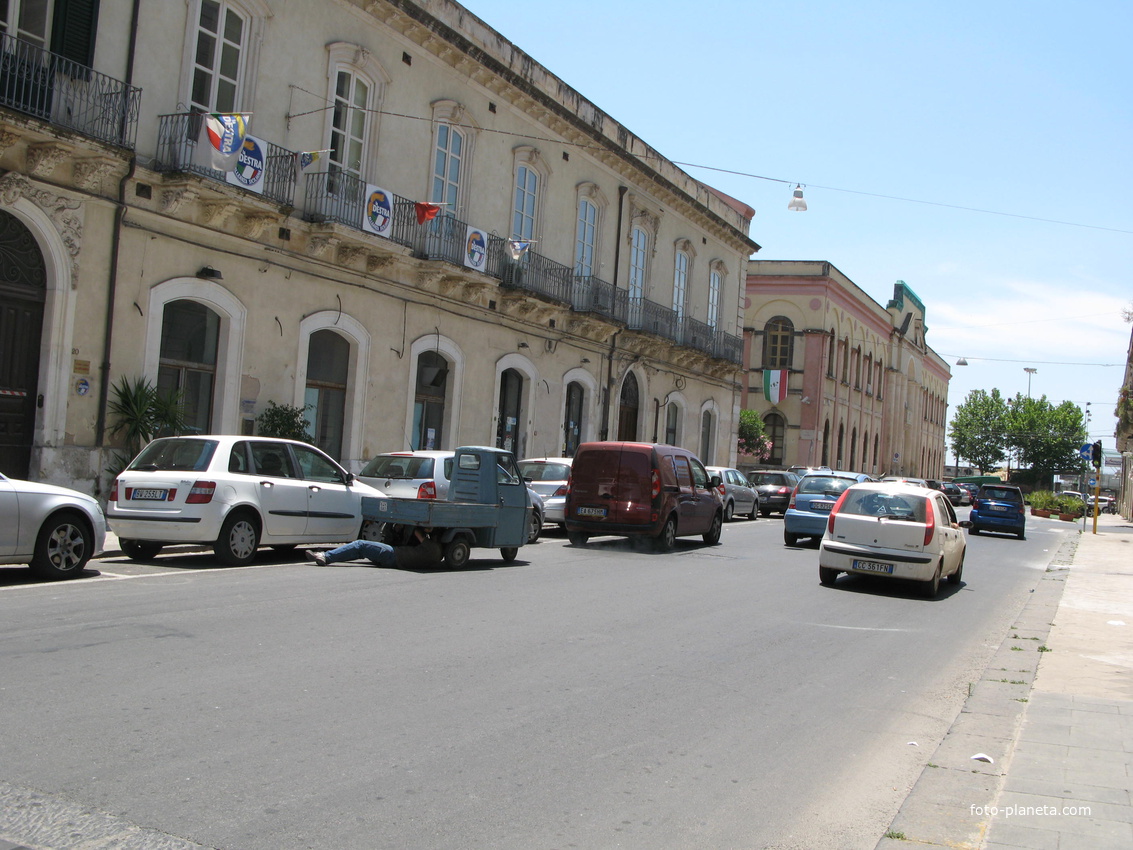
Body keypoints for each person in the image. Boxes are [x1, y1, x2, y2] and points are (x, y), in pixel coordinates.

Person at [306, 527, 442, 569]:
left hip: (392, 555)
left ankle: (325, 556)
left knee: (360, 545)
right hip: (395, 560)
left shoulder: (434, 549)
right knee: (360, 551)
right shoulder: (436, 557)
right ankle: (331, 556)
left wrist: (417, 527)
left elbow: (418, 534)